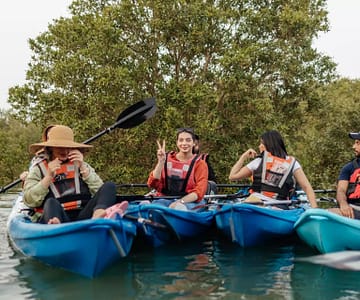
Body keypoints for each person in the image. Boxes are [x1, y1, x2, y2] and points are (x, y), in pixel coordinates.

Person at [23, 125, 118, 224]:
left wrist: (83, 168)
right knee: (51, 202)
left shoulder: (80, 164)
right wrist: (48, 177)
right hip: (56, 216)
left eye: (67, 146)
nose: (64, 150)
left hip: (83, 215)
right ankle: (56, 226)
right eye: (59, 147)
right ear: (50, 148)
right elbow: (30, 201)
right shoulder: (38, 169)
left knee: (109, 186)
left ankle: (98, 216)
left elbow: (99, 191)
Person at [228, 130, 318, 209]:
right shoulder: (292, 163)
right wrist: (314, 208)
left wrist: (243, 157)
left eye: (261, 143)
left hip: (257, 202)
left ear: (267, 146)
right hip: (280, 204)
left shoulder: (258, 162)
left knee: (243, 203)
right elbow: (307, 187)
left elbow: (232, 176)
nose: (259, 146)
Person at [147, 128, 209, 210]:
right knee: (153, 208)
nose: (184, 143)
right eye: (181, 140)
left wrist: (180, 202)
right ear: (177, 143)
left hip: (189, 201)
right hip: (165, 198)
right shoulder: (166, 158)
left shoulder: (200, 164)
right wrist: (161, 162)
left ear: (194, 143)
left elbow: (199, 192)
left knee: (178, 208)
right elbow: (152, 183)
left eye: (188, 140)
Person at [331, 132, 360, 219]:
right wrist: (343, 204)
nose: (353, 147)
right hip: (353, 209)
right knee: (330, 213)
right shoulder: (348, 168)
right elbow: (341, 191)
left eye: (357, 143)